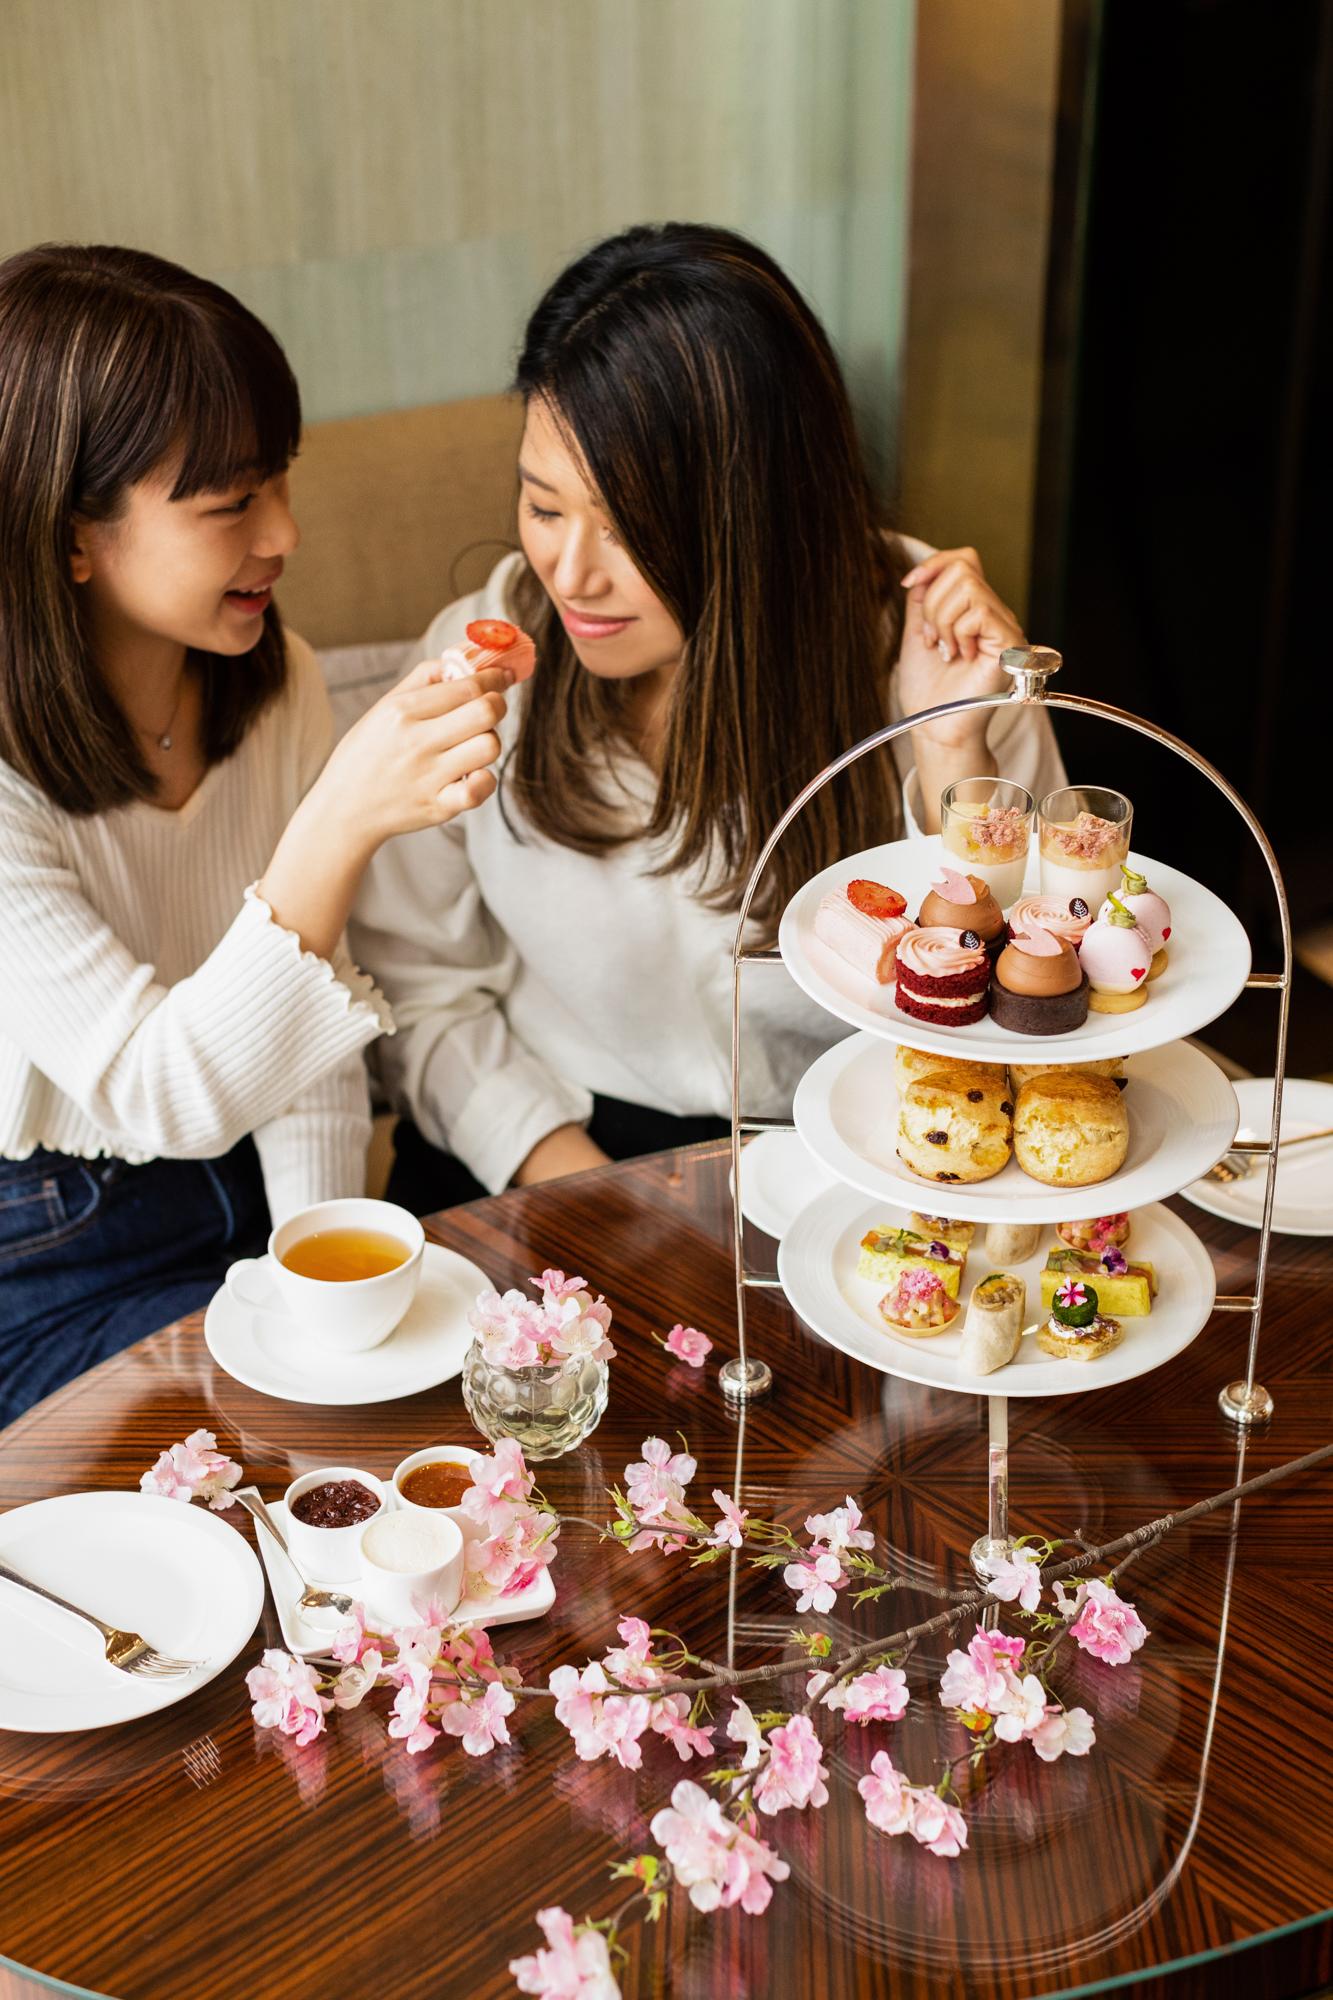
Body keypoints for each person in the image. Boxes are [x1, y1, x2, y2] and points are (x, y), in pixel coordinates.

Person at [352, 223, 1064, 1213]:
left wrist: (951, 743)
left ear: (757, 513)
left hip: (857, 1152)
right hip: (543, 1142)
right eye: (544, 505)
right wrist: (577, 1187)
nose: (570, 573)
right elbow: (420, 984)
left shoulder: (937, 657)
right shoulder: (486, 653)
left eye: (628, 527)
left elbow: (1032, 992)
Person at [0, 244, 509, 1423]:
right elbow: (153, 1090)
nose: (282, 533)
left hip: (241, 1174)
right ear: (73, 535)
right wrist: (340, 817)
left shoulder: (274, 681)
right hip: (49, 1237)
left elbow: (307, 1042)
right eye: (231, 503)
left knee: (381, 1422)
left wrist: (319, 1287)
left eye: (279, 479)